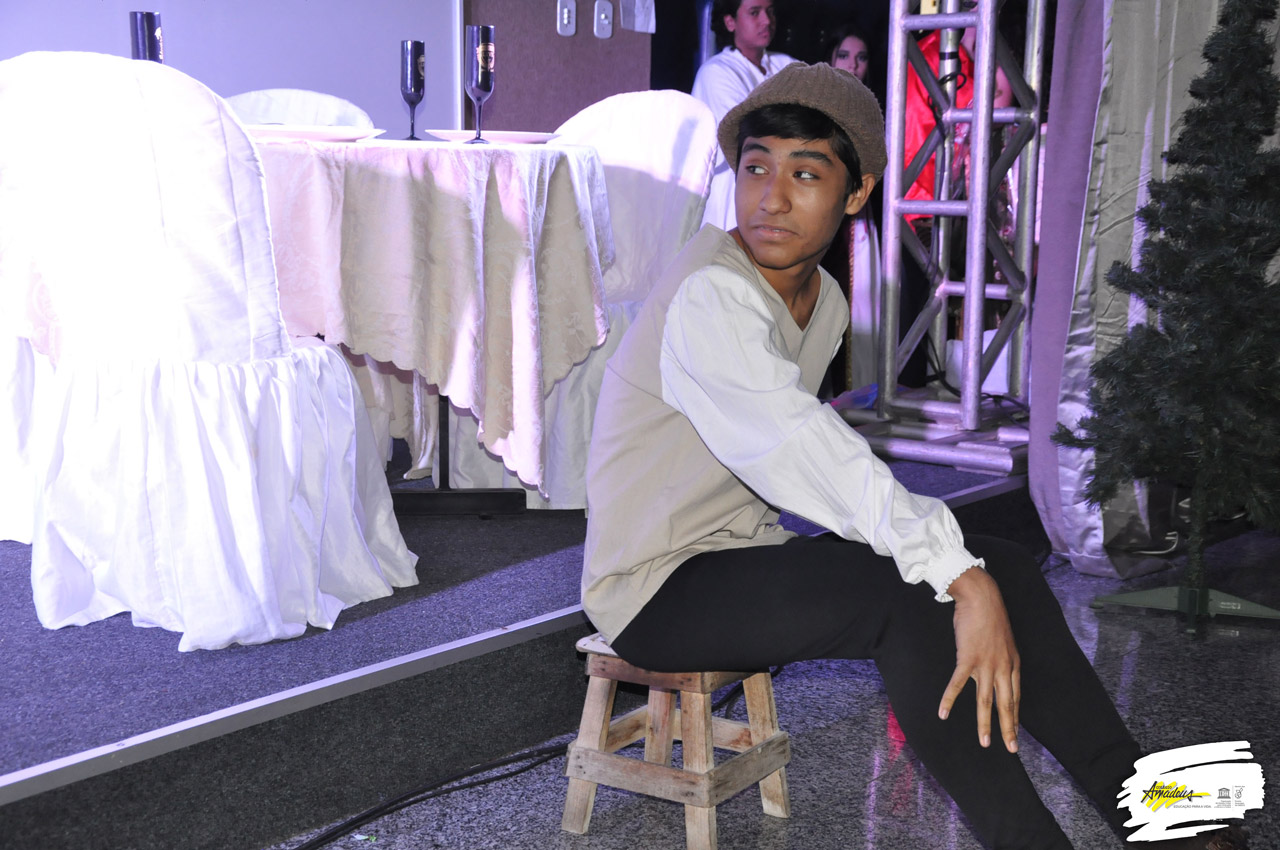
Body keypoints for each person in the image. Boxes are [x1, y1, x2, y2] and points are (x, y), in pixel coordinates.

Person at [581, 62, 1249, 850]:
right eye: (756, 168)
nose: (772, 197)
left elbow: (804, 455)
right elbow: (798, 446)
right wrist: (954, 574)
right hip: (654, 587)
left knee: (1005, 566)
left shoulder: (823, 299)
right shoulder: (710, 293)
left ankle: (1168, 816)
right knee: (915, 594)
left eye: (806, 174)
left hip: (737, 552)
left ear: (855, 193)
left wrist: (969, 570)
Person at [692, 0, 796, 232]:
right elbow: (750, 129)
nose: (766, 21)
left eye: (770, 11)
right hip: (734, 196)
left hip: (778, 191)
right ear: (730, 22)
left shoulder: (786, 65)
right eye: (754, 12)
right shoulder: (716, 72)